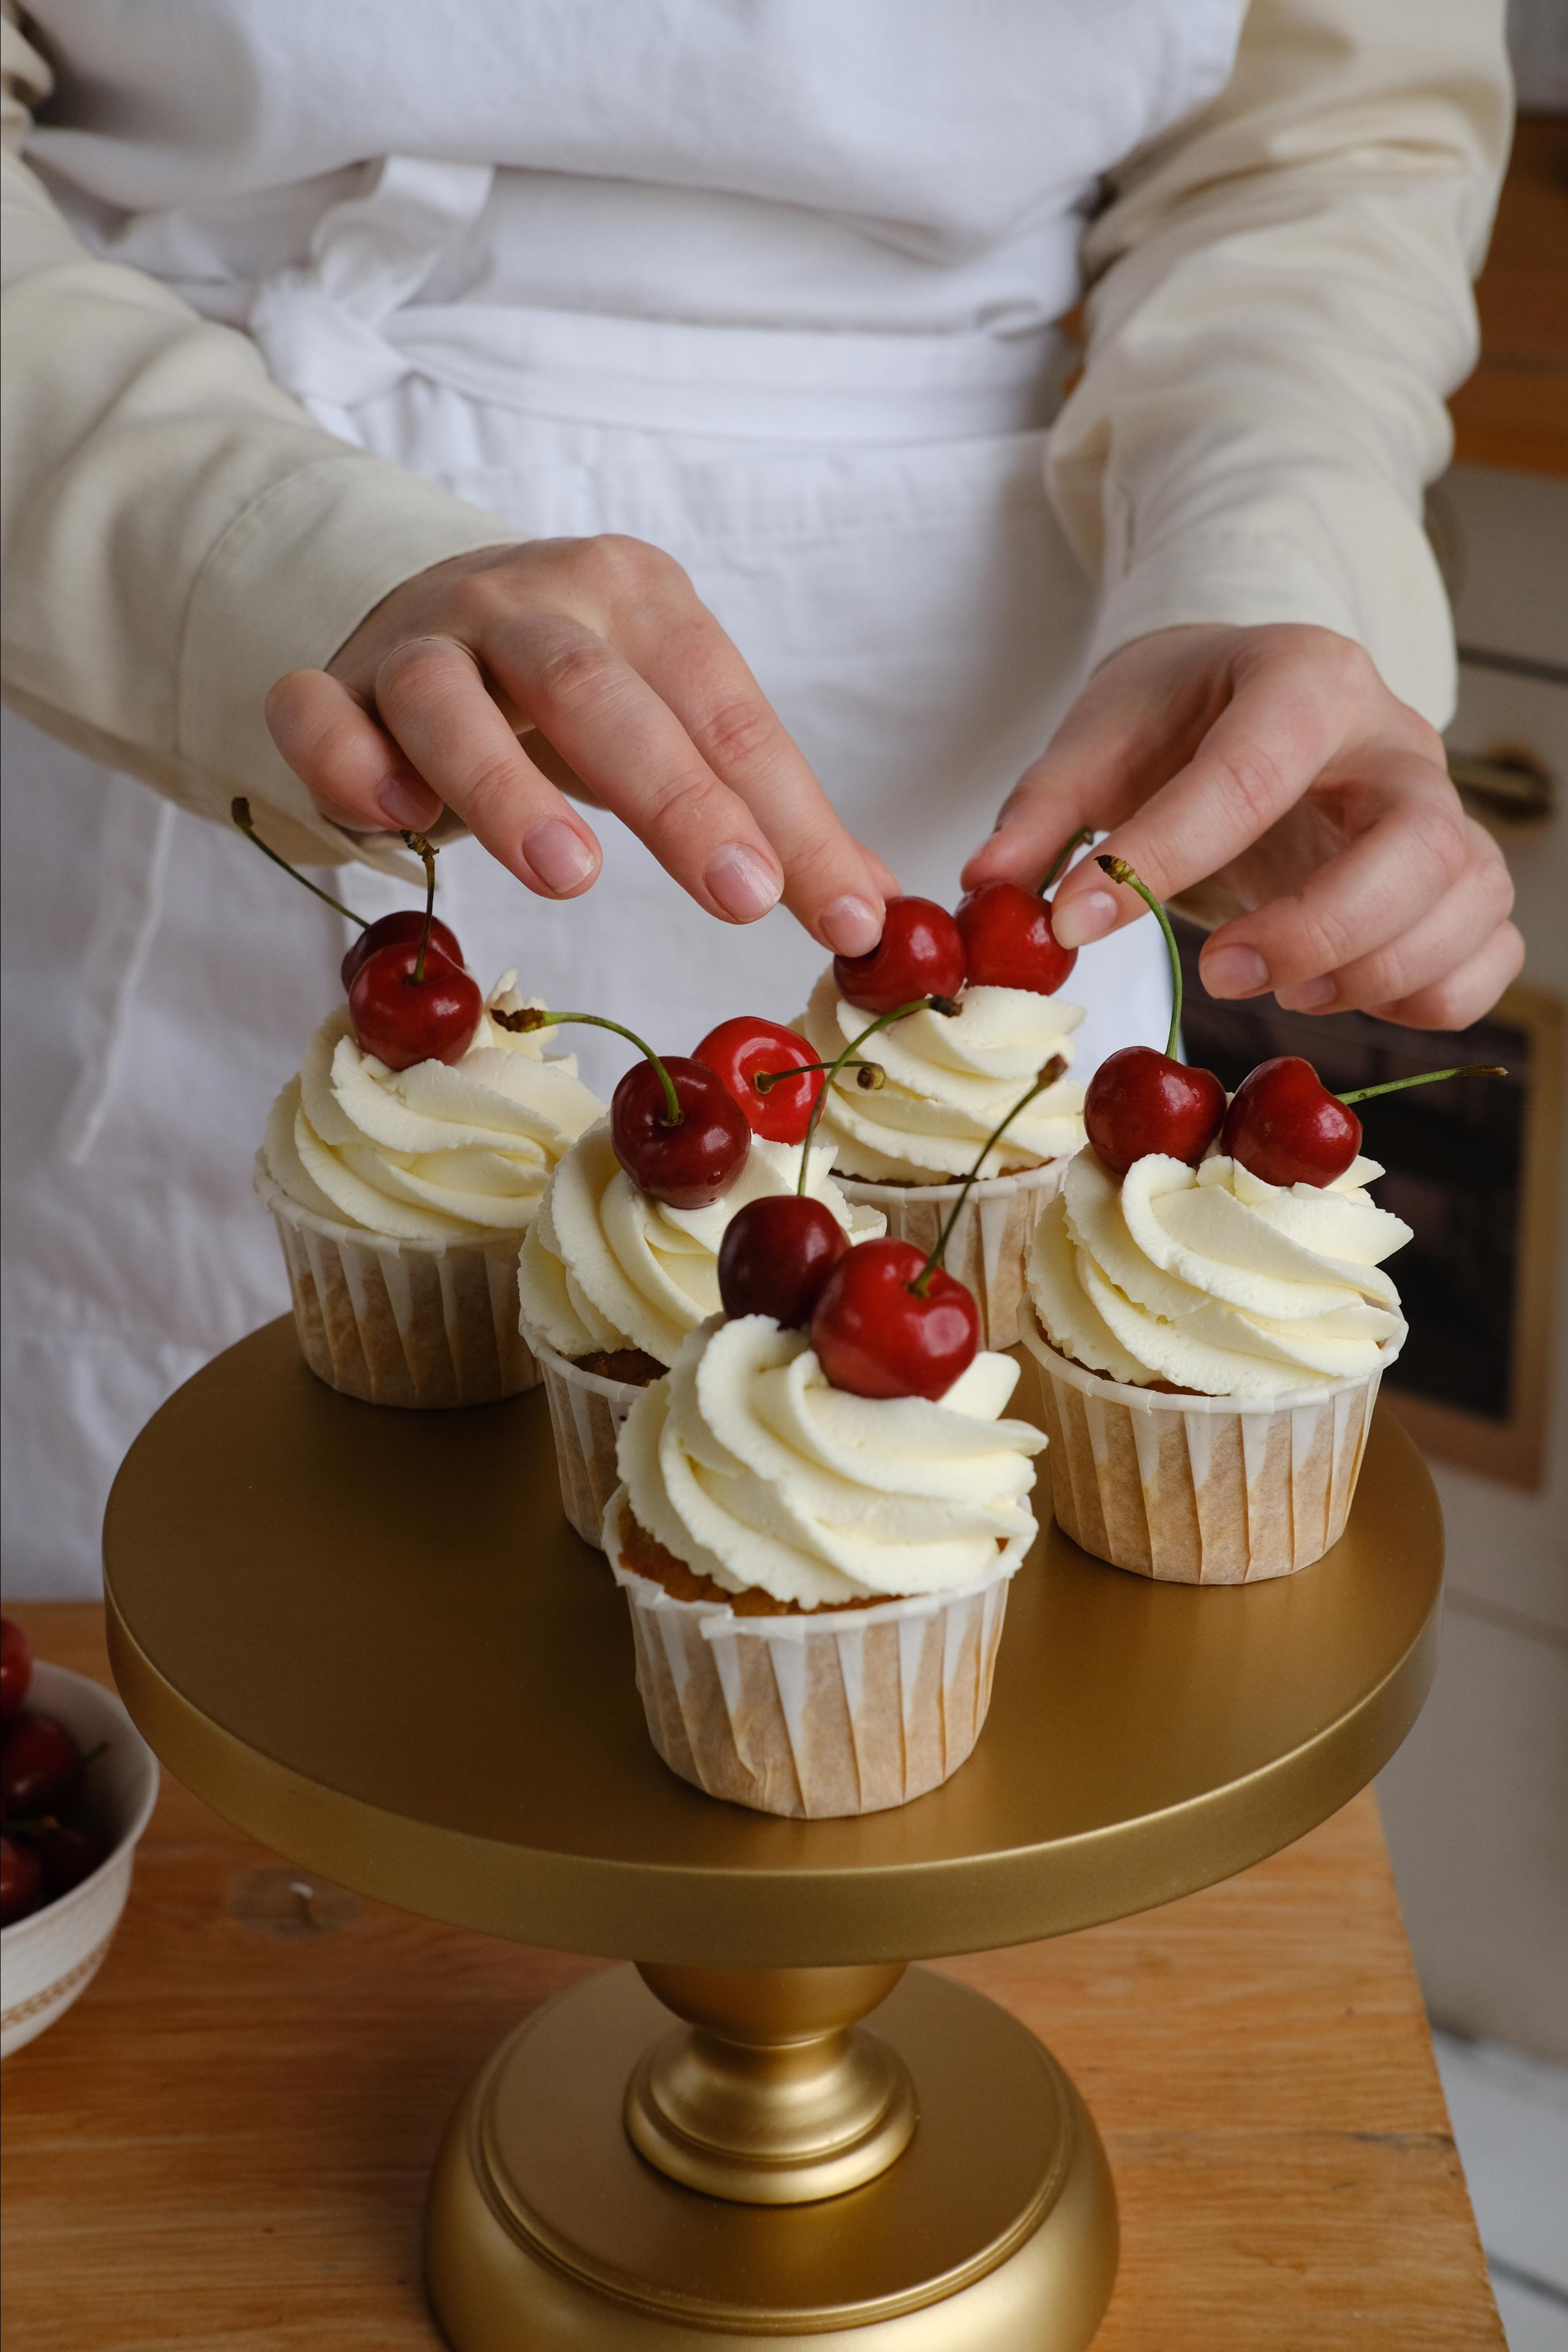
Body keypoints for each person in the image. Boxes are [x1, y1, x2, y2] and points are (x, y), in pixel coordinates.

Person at [1, 0, 1520, 1594]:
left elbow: (1330, 147)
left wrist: (1275, 556)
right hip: (166, 549)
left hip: (989, 733)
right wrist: (264, 556)